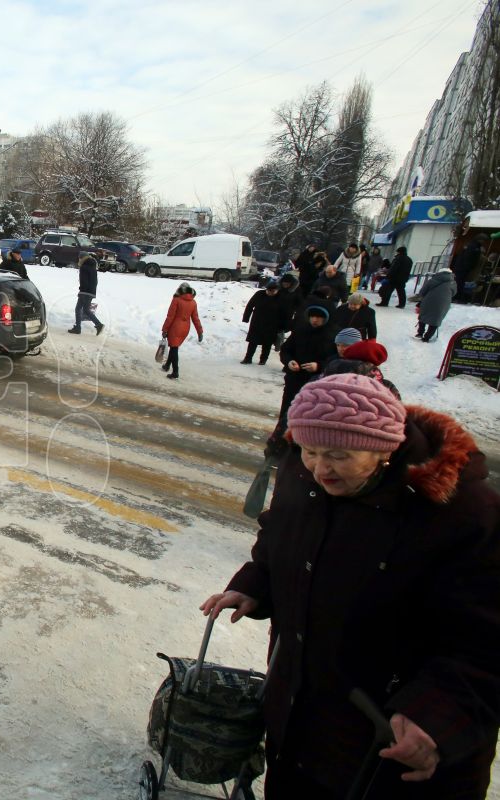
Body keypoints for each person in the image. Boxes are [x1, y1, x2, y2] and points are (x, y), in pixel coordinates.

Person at [202, 372, 500, 800]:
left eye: (339, 455)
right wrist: (257, 582)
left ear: (383, 450)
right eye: (309, 451)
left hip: (391, 745)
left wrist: (437, 716)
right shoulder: (303, 474)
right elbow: (279, 530)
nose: (320, 468)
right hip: (301, 719)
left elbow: (487, 642)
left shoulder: (463, 514)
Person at [271, 304, 335, 438]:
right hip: (294, 378)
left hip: (318, 382)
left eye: (319, 317)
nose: (315, 320)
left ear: (325, 319)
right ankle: (280, 437)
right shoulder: (300, 330)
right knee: (288, 410)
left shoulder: (332, 334)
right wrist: (289, 361)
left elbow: (335, 359)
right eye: (313, 316)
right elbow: (286, 350)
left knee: (310, 413)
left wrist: (319, 366)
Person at [160, 282, 203, 379]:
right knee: (174, 347)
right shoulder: (193, 302)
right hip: (185, 328)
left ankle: (175, 372)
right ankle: (167, 365)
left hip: (175, 327)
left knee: (174, 348)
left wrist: (165, 329)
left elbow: (170, 317)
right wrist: (200, 331)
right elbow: (195, 318)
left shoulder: (176, 300)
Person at [242, 278, 282, 365]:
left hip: (272, 324)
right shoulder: (259, 294)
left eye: (273, 291)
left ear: (277, 291)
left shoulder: (280, 298)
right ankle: (248, 358)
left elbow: (285, 312)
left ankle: (263, 360)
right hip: (257, 322)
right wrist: (246, 318)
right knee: (253, 341)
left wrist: (283, 325)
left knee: (267, 343)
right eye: (269, 290)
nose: (271, 292)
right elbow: (250, 305)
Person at [416, 266, 456, 342]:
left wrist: (421, 297)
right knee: (436, 320)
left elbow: (423, 291)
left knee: (423, 316)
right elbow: (454, 293)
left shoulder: (433, 279)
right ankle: (427, 337)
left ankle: (420, 333)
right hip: (444, 303)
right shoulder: (453, 283)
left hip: (428, 301)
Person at [69, 254, 104, 336]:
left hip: (85, 292)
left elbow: (83, 281)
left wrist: (81, 290)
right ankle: (80, 327)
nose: (78, 260)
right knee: (84, 309)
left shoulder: (84, 267)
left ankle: (97, 325)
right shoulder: (93, 267)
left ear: (82, 259)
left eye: (79, 258)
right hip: (91, 292)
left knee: (80, 309)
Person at [452, 234, 489, 302]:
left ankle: (458, 297)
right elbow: (469, 257)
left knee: (460, 282)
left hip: (463, 267)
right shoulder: (474, 246)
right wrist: (468, 267)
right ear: (480, 240)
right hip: (464, 268)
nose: (484, 242)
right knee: (460, 282)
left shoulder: (473, 245)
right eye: (483, 240)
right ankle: (457, 297)